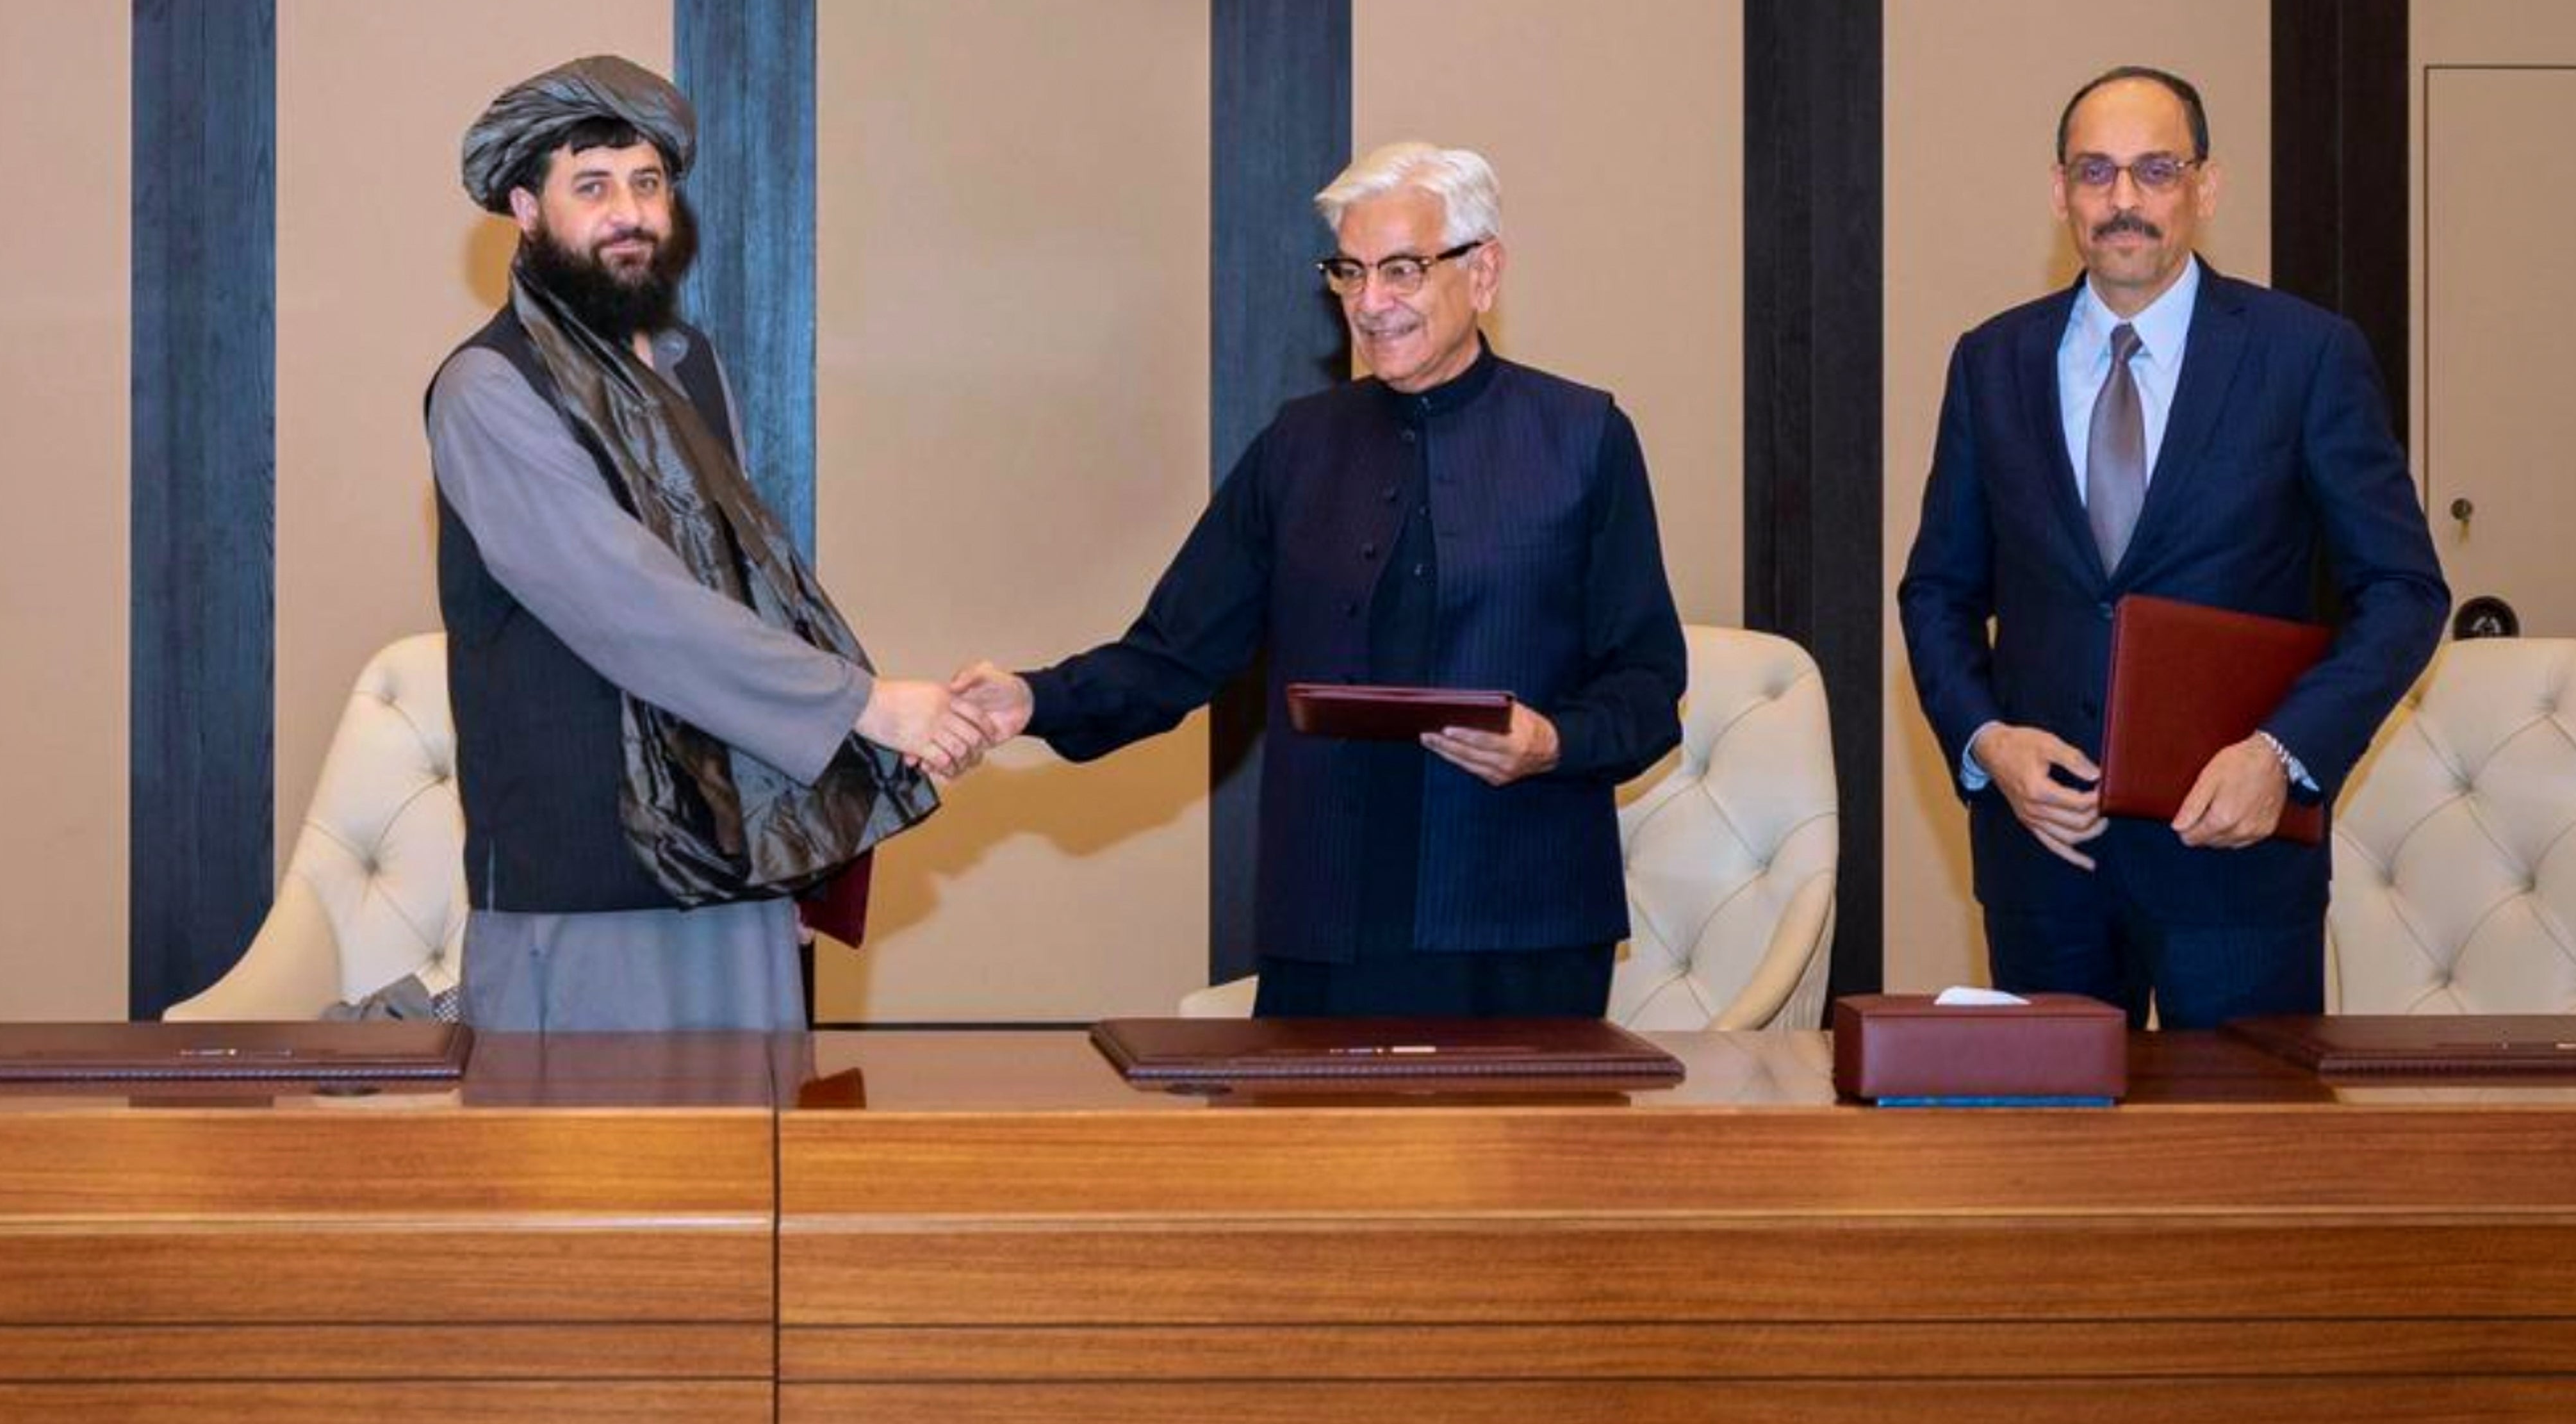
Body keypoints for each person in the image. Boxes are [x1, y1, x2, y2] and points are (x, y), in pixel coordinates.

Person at [949, 140, 1685, 1020]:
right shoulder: (1297, 445)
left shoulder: (1583, 437)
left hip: (1524, 918)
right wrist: (1033, 699)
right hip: (1329, 917)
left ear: (1483, 271)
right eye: (1349, 272)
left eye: (1403, 270)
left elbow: (1647, 685)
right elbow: (1175, 652)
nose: (1370, 303)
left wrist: (1551, 741)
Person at [427, 54, 988, 1032]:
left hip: (732, 864)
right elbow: (633, 605)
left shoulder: (689, 366)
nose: (628, 213)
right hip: (585, 886)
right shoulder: (490, 387)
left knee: (753, 1127)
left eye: (647, 183)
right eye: (591, 187)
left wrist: (801, 841)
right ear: (525, 208)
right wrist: (863, 705)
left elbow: (745, 591)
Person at [1899, 66, 2447, 1027]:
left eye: (2155, 170)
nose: (2124, 200)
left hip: (2235, 865)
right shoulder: (1992, 361)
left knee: (2244, 1128)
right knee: (2045, 1127)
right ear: (2059, 191)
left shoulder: (2305, 355)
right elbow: (1937, 591)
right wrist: (1988, 742)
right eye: (2095, 171)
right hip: (2044, 860)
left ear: (2206, 186)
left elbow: (2403, 589)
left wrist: (2282, 755)